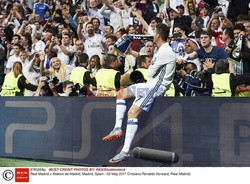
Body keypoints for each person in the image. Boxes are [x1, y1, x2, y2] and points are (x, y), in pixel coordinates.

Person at [102, 23, 176, 164]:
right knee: (121, 93)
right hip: (150, 85)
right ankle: (117, 128)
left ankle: (124, 152)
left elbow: (149, 72)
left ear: (158, 36)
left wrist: (153, 64)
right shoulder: (162, 50)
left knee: (132, 113)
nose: (153, 35)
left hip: (156, 88)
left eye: (154, 32)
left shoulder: (164, 51)